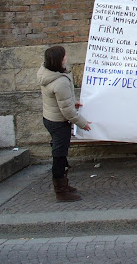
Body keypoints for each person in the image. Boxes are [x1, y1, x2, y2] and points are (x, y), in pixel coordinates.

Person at [38, 45, 92, 202]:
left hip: (49, 118)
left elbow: (59, 100)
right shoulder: (59, 82)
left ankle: (64, 185)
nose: (66, 58)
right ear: (58, 60)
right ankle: (61, 191)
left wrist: (71, 102)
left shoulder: (45, 73)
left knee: (60, 155)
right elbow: (67, 112)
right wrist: (82, 123)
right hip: (59, 123)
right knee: (59, 156)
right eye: (64, 56)